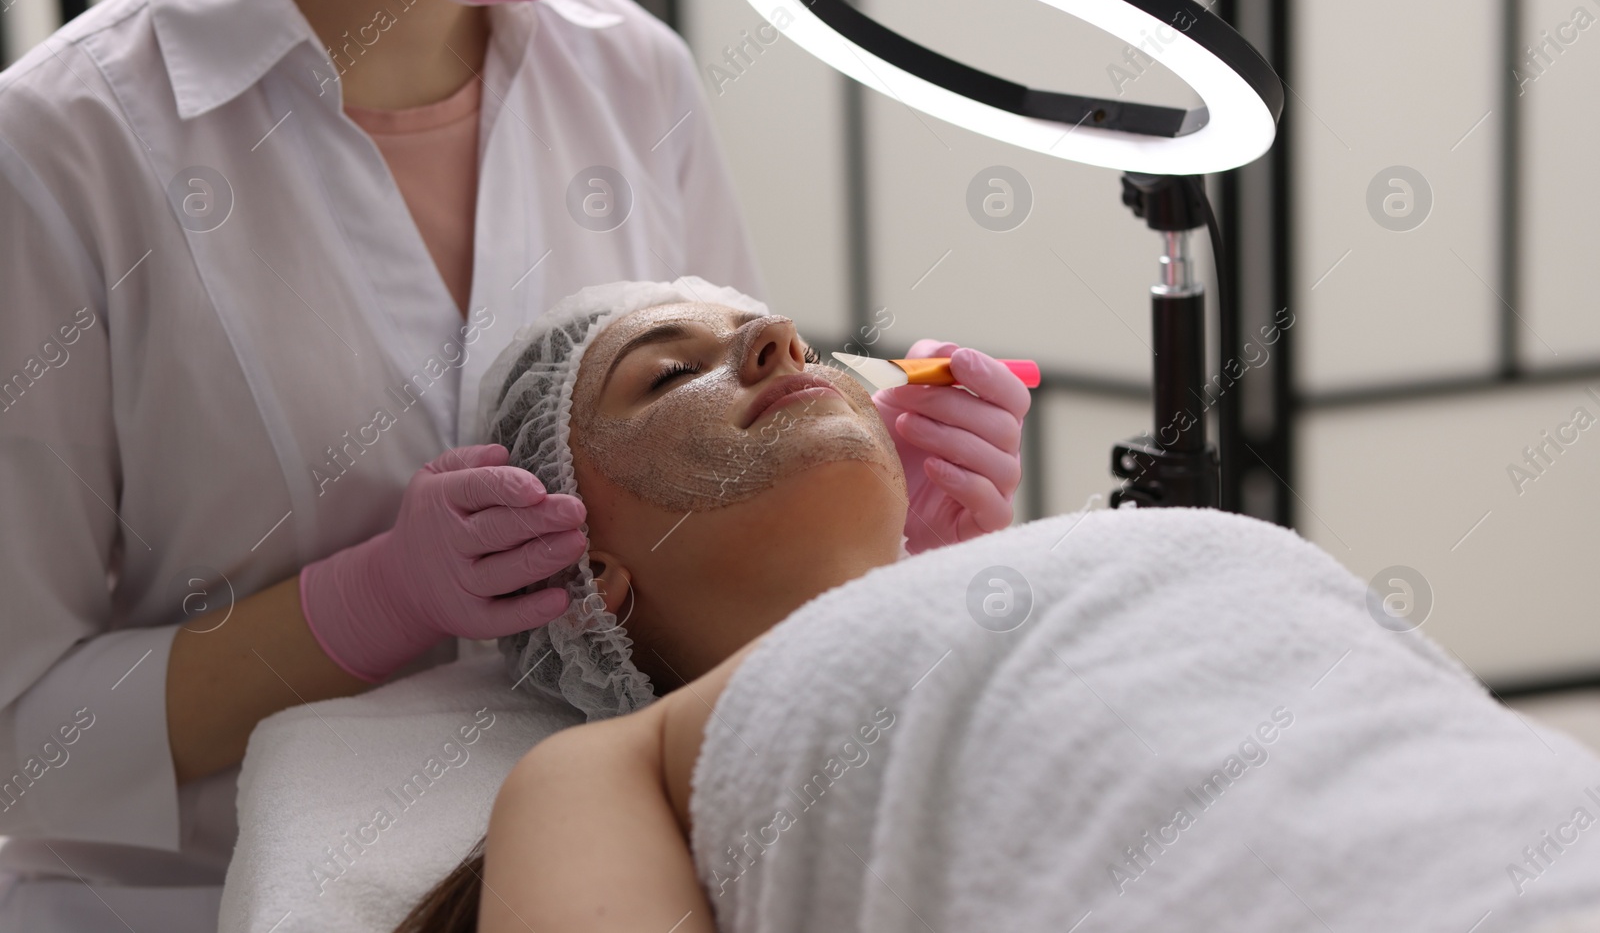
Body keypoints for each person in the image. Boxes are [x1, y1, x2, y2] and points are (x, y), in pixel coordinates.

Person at [0, 0, 1025, 931]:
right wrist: (358, 606)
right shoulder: (58, 150)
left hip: (667, 869)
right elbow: (17, 744)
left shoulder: (635, 74)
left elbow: (722, 553)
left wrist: (891, 547)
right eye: (666, 370)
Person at [389, 280, 1600, 933]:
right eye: (665, 372)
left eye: (775, 326)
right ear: (589, 575)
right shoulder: (615, 767)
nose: (774, 337)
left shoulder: (1110, 558)